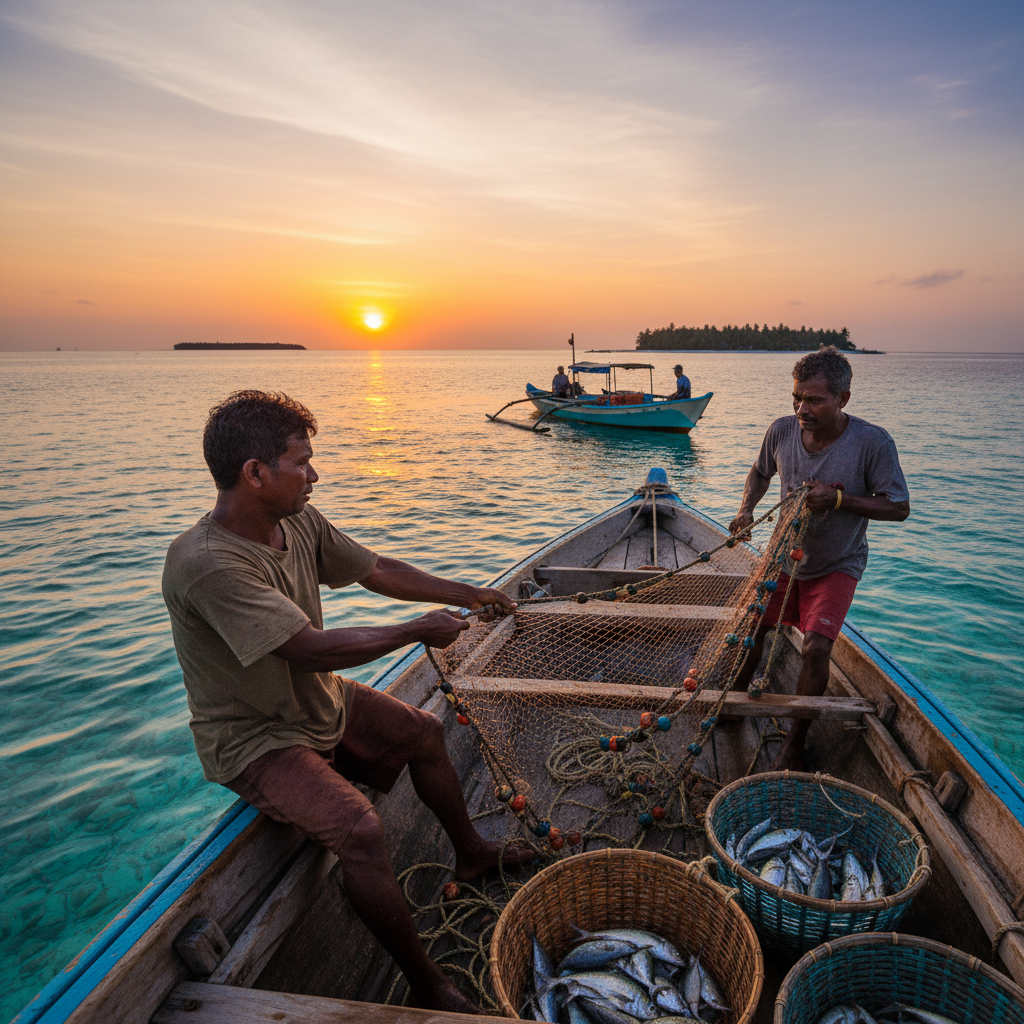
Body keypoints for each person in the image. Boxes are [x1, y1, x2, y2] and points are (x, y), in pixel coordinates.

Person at [161, 390, 532, 1013]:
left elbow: (375, 569)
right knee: (361, 829)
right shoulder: (206, 564)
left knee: (424, 733)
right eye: (300, 463)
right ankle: (426, 983)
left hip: (318, 700)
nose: (314, 474)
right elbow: (307, 648)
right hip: (255, 737)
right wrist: (417, 630)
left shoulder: (297, 520)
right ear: (255, 474)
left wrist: (471, 592)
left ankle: (472, 854)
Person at [728, 347, 909, 771]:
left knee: (814, 648)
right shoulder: (781, 431)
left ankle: (795, 741)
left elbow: (899, 506)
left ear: (843, 399)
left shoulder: (871, 442)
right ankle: (733, 700)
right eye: (796, 398)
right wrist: (746, 510)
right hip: (782, 559)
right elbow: (759, 472)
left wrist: (841, 499)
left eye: (814, 400)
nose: (801, 408)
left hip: (836, 564)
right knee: (751, 631)